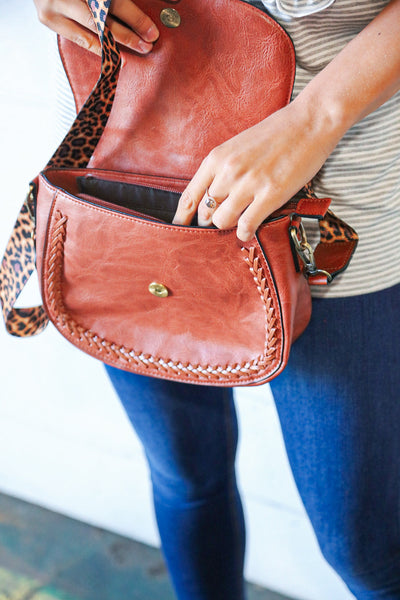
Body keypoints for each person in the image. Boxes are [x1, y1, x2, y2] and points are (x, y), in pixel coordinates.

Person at [33, 0, 400, 598]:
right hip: (121, 179)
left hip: (325, 210)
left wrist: (313, 120)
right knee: (184, 478)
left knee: (363, 549)